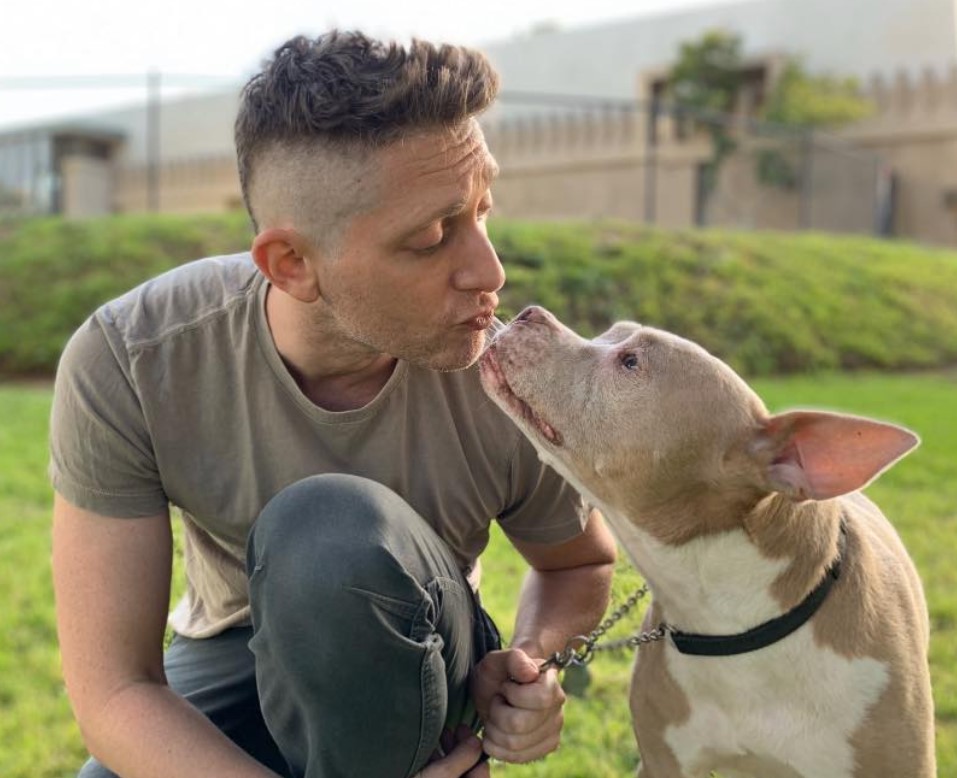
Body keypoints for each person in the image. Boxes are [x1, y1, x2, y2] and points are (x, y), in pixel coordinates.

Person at [49, 30, 617, 778]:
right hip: (231, 649)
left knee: (330, 536)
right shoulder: (132, 360)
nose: (489, 271)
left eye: (482, 213)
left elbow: (578, 564)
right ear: (292, 264)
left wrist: (530, 663)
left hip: (421, 639)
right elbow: (116, 691)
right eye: (432, 237)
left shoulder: (503, 377)